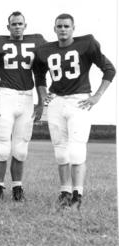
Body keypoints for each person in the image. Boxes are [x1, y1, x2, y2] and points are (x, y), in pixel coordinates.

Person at [34, 13, 115, 209]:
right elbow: (39, 73)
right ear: (54, 29)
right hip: (56, 102)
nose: (62, 29)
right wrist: (43, 94)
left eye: (66, 26)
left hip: (79, 101)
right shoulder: (45, 49)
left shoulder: (87, 43)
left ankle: (78, 194)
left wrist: (97, 96)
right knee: (61, 152)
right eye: (59, 26)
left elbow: (109, 69)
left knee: (77, 151)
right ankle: (65, 192)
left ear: (73, 28)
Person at [0, 11, 46, 201]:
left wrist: (42, 103)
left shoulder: (37, 41)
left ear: (25, 26)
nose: (17, 27)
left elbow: (41, 75)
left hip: (27, 97)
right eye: (14, 24)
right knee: (2, 147)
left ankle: (17, 188)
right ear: (8, 27)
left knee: (21, 148)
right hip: (6, 96)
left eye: (20, 24)